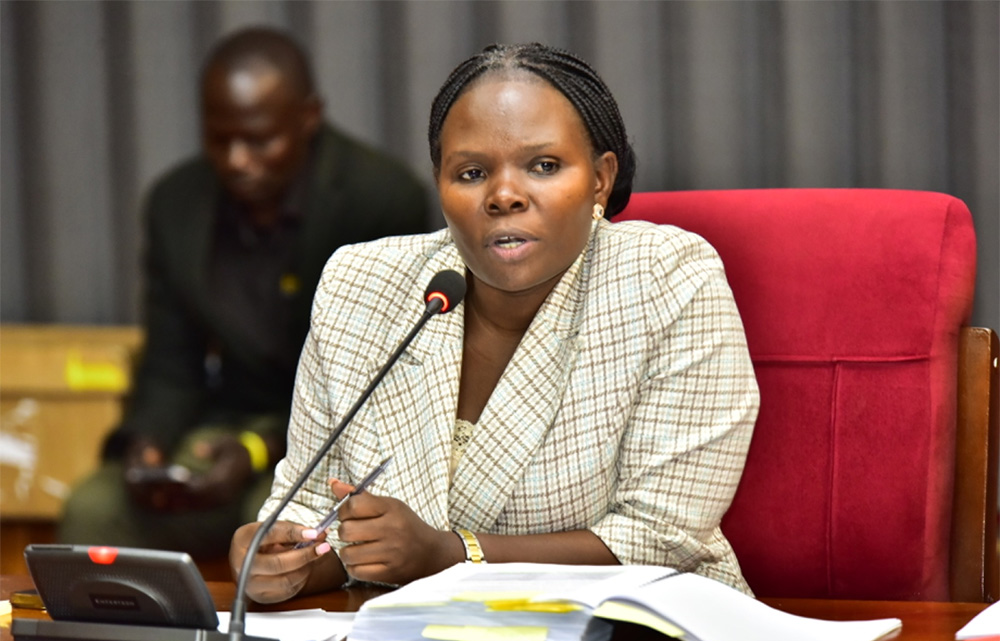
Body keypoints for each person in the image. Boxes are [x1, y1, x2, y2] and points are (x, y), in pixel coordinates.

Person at [230, 42, 759, 603]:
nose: (504, 196)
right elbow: (316, 512)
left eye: (544, 166)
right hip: (411, 640)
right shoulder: (361, 286)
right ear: (440, 186)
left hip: (642, 632)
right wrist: (279, 561)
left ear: (602, 180)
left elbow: (662, 537)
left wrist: (453, 555)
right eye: (473, 172)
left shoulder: (667, 279)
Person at [57, 27, 429, 559]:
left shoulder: (378, 199)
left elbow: (375, 380)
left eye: (259, 140)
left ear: (308, 118)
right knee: (96, 508)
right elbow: (170, 362)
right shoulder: (176, 205)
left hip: (329, 436)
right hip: (225, 422)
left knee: (278, 524)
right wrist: (148, 447)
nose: (236, 159)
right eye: (219, 138)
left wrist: (258, 451)